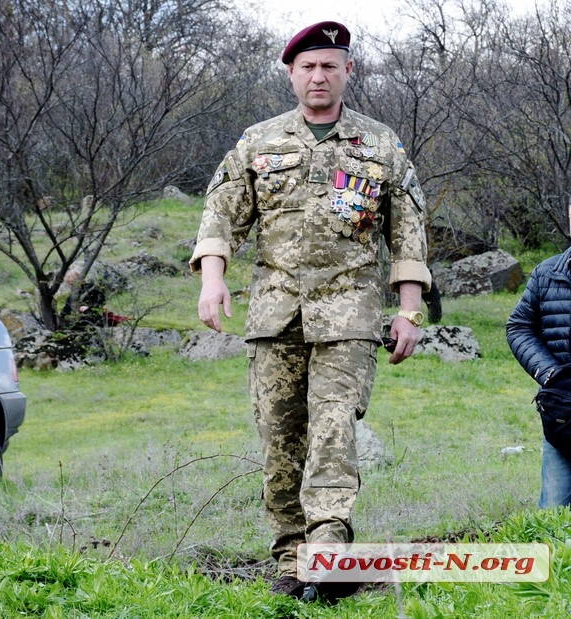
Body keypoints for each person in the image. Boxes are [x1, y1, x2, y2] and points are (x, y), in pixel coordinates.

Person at [189, 21, 431, 601]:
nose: (318, 76)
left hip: (348, 316)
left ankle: (327, 553)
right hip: (275, 317)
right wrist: (213, 282)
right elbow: (221, 215)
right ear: (292, 74)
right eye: (308, 67)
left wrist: (409, 311)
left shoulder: (380, 146)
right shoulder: (259, 142)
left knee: (332, 429)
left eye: (329, 65)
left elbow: (410, 234)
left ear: (348, 71)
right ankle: (290, 557)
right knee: (279, 439)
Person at [506, 247, 571, 508]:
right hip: (565, 412)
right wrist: (551, 375)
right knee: (554, 511)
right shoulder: (548, 273)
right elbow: (519, 326)